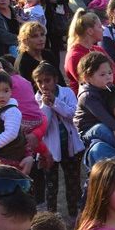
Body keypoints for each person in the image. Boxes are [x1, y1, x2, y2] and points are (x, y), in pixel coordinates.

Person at [33, 62, 84, 219]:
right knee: (51, 185)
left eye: (47, 80)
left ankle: (74, 214)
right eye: (39, 82)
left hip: (70, 147)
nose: (43, 85)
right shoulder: (36, 100)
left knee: (73, 182)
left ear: (55, 79)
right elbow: (43, 125)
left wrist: (55, 102)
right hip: (51, 150)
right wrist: (46, 105)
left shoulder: (67, 93)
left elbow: (73, 114)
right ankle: (51, 216)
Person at [65, 10, 115, 87]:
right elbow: (87, 84)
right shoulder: (74, 56)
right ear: (90, 31)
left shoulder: (97, 49)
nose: (103, 29)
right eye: (100, 27)